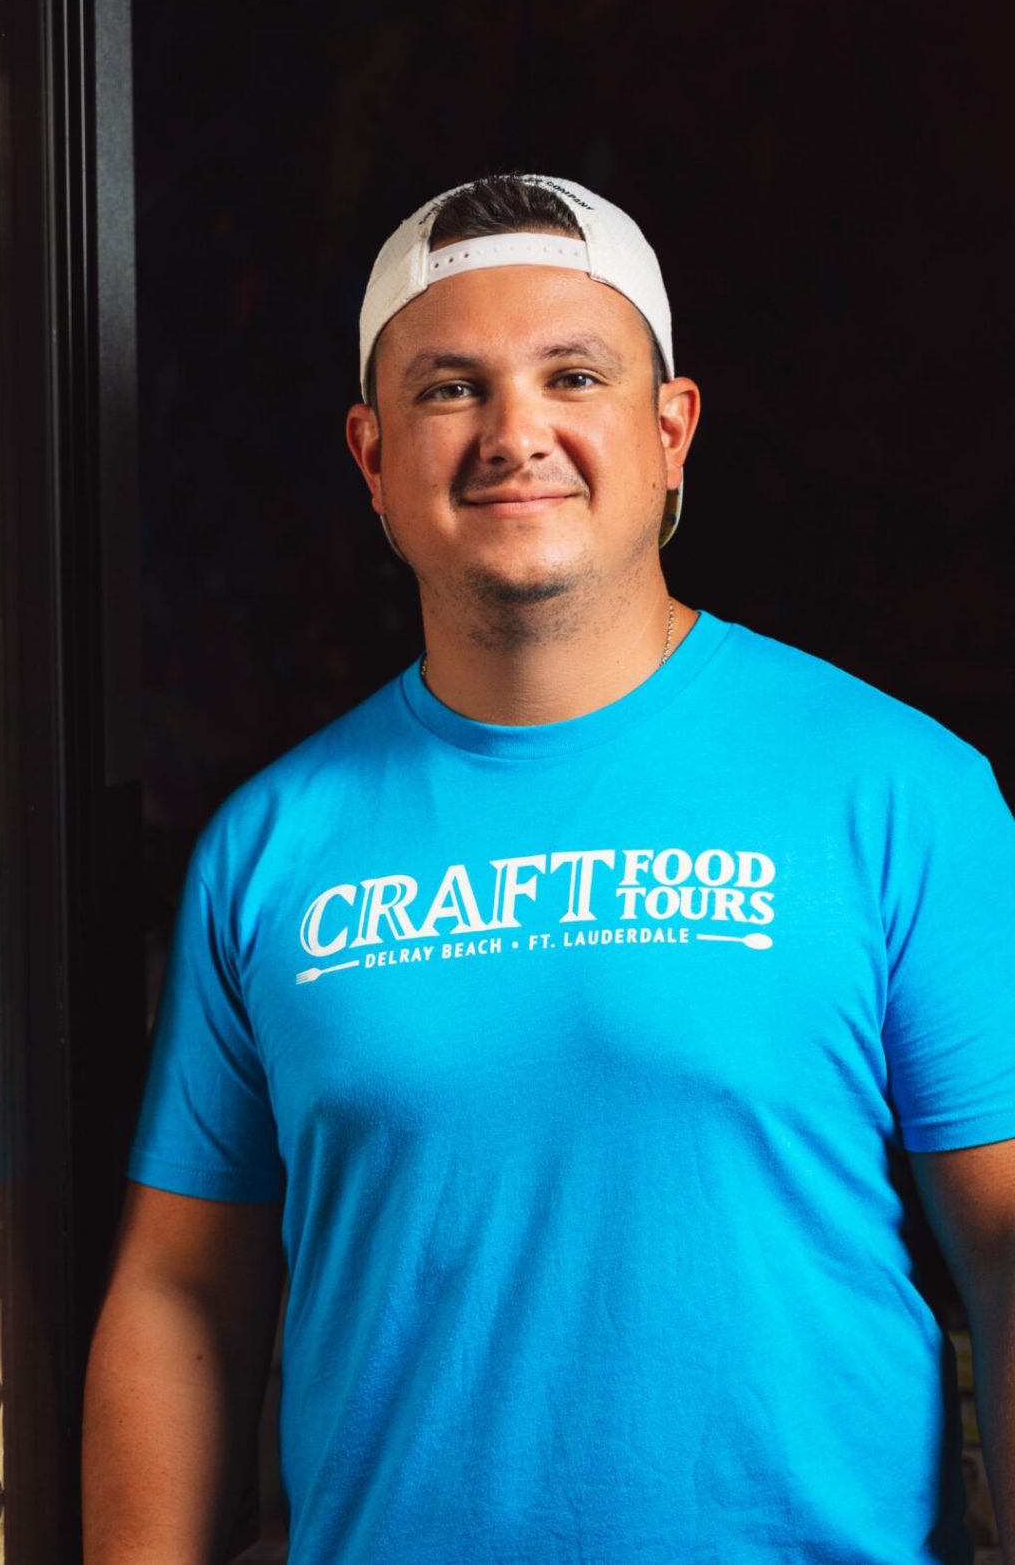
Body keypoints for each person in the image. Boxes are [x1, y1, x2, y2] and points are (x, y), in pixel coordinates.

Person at [84, 173, 1015, 1563]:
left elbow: (1007, 1254)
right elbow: (179, 1297)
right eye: (449, 389)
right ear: (372, 456)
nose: (516, 434)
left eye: (572, 375)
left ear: (669, 430)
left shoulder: (899, 792)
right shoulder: (274, 848)